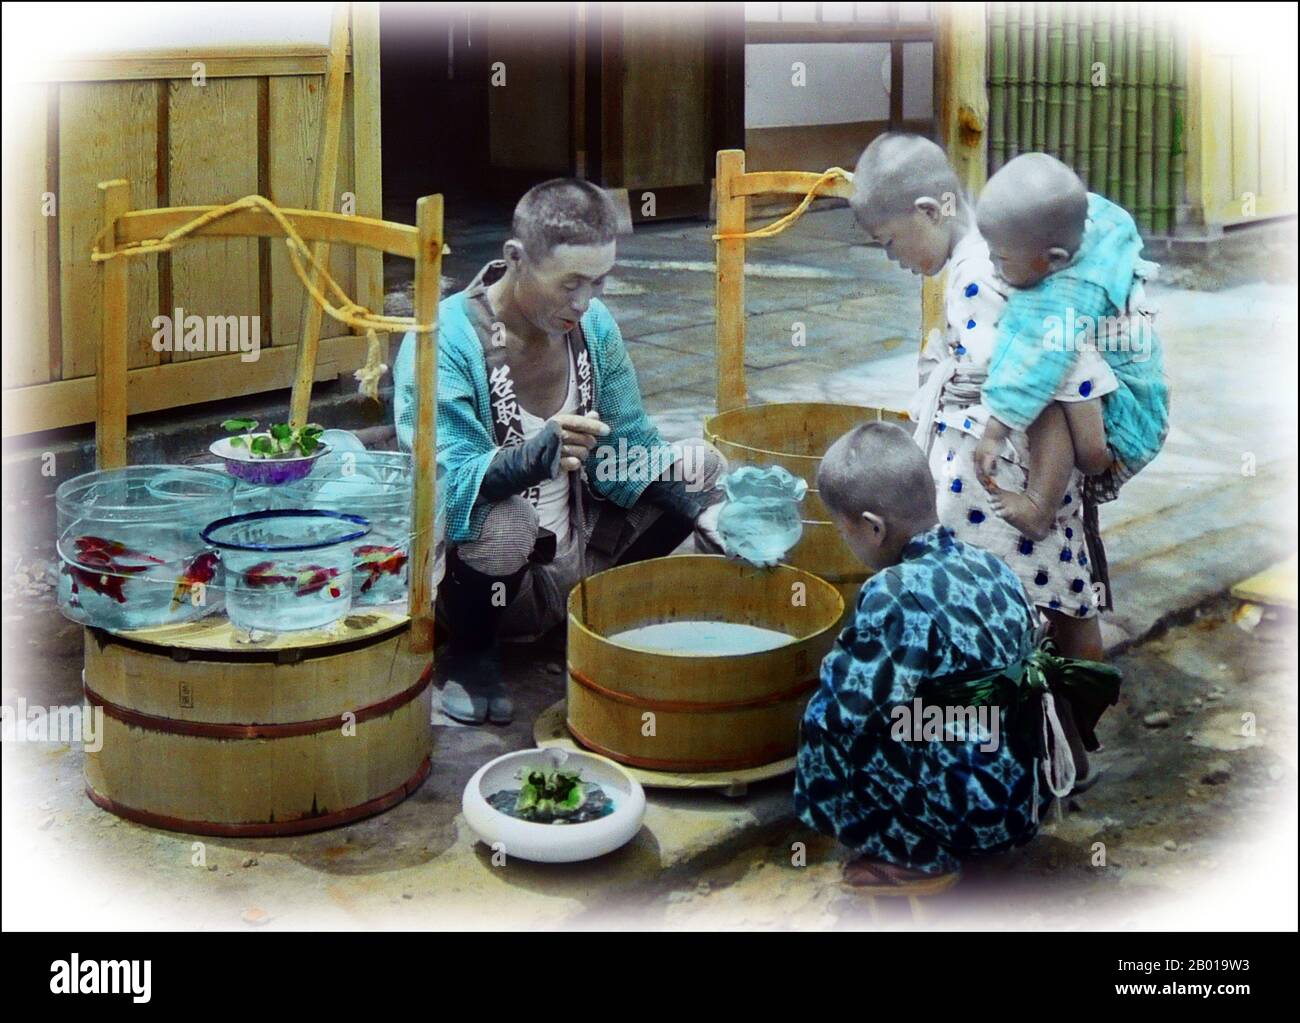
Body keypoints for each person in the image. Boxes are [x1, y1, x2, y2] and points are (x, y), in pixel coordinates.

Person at [394, 179, 725, 726]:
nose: (584, 302)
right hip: (491, 577)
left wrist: (704, 510)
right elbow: (446, 486)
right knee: (499, 519)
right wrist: (532, 456)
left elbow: (630, 449)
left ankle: (593, 618)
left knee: (699, 466)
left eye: (599, 282)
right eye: (569, 283)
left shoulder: (592, 326)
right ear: (515, 259)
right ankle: (472, 657)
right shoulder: (443, 338)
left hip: (582, 553)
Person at [793, 422, 1118, 892]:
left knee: (828, 720)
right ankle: (965, 831)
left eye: (846, 533)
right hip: (1025, 799)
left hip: (973, 815)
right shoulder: (991, 565)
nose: (848, 544)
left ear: (873, 528)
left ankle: (911, 854)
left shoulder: (893, 593)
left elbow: (849, 711)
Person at [851, 134, 1110, 690]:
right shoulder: (996, 257)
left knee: (1021, 599)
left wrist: (1038, 500)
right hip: (1027, 472)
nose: (894, 259)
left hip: (1012, 481)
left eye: (890, 241)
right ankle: (1074, 731)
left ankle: (1051, 728)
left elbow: (1034, 390)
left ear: (928, 211)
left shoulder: (976, 275)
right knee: (1066, 593)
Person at [973, 153, 1170, 547]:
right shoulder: (1091, 228)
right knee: (1058, 359)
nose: (993, 266)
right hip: (1137, 396)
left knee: (1044, 380)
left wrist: (994, 432)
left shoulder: (1069, 296)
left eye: (1001, 258)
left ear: (1054, 259)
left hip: (1124, 422)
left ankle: (1037, 505)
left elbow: (1034, 369)